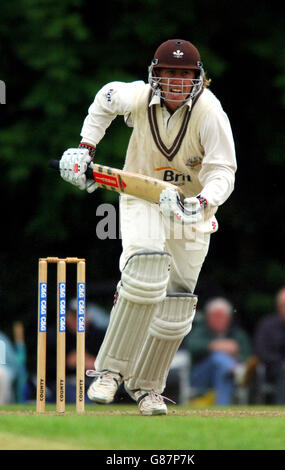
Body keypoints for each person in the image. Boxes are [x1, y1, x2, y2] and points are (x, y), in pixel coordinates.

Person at [58, 39, 237, 415]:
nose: (175, 81)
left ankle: (148, 389)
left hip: (192, 207)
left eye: (184, 74)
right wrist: (86, 148)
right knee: (145, 270)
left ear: (197, 78)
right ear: (156, 74)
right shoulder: (139, 97)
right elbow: (105, 98)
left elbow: (223, 171)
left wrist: (202, 202)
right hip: (143, 194)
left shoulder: (209, 111)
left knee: (177, 305)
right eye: (169, 73)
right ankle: (108, 372)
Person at [185, 298, 251, 405]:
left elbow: (247, 356)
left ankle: (221, 411)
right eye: (214, 316)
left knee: (223, 372)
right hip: (200, 377)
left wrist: (235, 354)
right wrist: (213, 346)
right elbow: (191, 346)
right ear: (208, 317)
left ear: (228, 318)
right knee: (217, 357)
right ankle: (236, 370)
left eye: (221, 316)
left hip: (227, 377)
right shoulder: (199, 331)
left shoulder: (238, 335)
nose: (218, 319)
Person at [46, 302, 106, 403]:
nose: (77, 321)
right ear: (66, 318)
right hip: (66, 383)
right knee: (79, 399)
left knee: (103, 397)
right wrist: (66, 363)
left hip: (94, 382)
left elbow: (109, 366)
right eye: (73, 316)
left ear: (88, 317)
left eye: (81, 316)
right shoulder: (55, 336)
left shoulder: (98, 335)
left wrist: (95, 364)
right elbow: (46, 369)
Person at [254, 287, 285, 404]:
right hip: (276, 369)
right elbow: (261, 352)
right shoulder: (268, 326)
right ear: (279, 307)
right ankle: (282, 410)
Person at [0, 330, 18, 404]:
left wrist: (11, 376)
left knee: (1, 373)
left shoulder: (2, 338)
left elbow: (13, 364)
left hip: (3, 371)